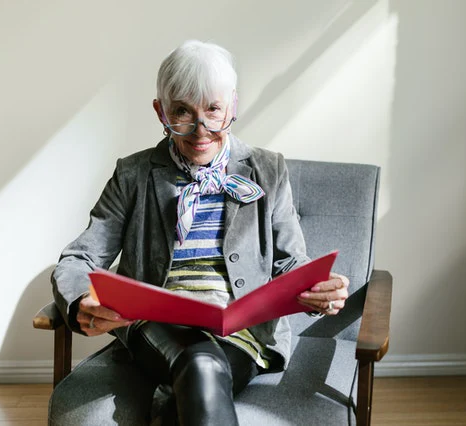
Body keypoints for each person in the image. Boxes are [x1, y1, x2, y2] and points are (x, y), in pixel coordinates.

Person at [51, 40, 349, 425]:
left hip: (241, 334)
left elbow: (292, 261)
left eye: (213, 109)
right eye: (181, 112)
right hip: (154, 328)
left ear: (233, 107)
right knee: (202, 365)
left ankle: (168, 404)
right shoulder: (133, 174)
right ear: (161, 111)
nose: (200, 129)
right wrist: (80, 302)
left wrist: (319, 287)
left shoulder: (268, 170)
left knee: (197, 371)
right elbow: (80, 258)